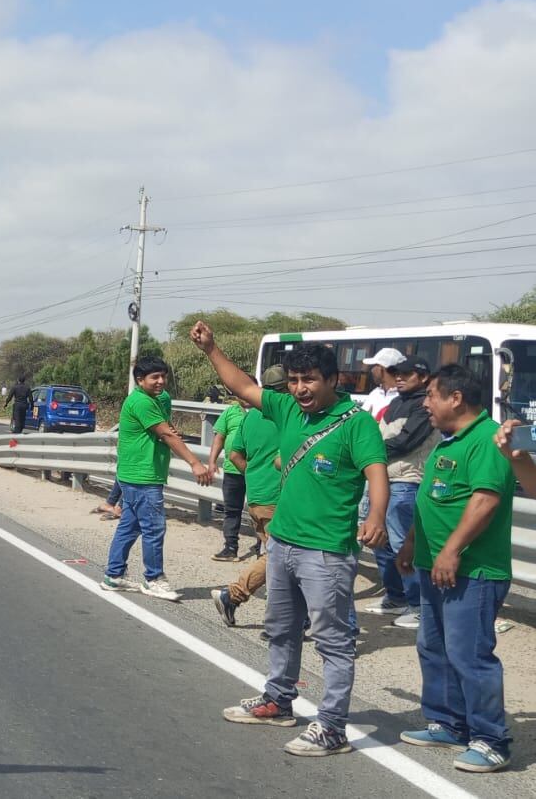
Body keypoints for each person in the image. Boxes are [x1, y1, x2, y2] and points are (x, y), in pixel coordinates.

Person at [193, 324, 388, 758]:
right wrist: (211, 348)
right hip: (282, 542)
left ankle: (332, 727)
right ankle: (278, 701)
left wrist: (376, 515)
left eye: (310, 380)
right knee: (281, 629)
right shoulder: (287, 409)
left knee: (332, 641)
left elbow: (377, 472)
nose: (300, 388)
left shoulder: (356, 424)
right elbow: (241, 385)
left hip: (327, 550)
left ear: (332, 380)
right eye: (295, 380)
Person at [391, 367, 520, 774]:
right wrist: (412, 543)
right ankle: (448, 724)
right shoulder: (447, 441)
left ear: (456, 398)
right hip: (435, 566)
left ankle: (491, 740)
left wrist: (451, 550)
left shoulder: (488, 440)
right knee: (433, 647)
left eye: (431, 395)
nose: (425, 404)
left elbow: (485, 500)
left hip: (473, 571)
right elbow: (433, 497)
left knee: (470, 654)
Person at [100, 358, 212, 603]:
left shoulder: (160, 398)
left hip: (139, 473)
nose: (161, 381)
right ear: (140, 380)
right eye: (154, 377)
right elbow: (166, 434)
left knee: (130, 526)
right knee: (154, 527)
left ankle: (114, 575)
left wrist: (170, 429)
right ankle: (154, 579)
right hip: (142, 475)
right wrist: (195, 463)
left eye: (163, 376)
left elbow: (167, 427)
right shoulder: (141, 401)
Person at [363, 354, 439, 629]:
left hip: (406, 482)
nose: (399, 377)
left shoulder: (424, 405)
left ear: (423, 377)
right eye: (396, 373)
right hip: (383, 480)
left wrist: (368, 452)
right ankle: (396, 597)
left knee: (402, 546)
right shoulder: (396, 402)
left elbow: (405, 442)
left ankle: (419, 606)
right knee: (380, 543)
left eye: (406, 374)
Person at [211, 365, 287, 626]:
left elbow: (234, 454)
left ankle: (288, 617)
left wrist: (254, 475)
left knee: (278, 556)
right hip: (278, 497)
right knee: (280, 556)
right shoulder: (288, 414)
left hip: (257, 495)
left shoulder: (251, 416)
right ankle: (234, 595)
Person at [208, 387, 250, 561]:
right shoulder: (230, 412)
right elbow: (219, 437)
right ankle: (230, 547)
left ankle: (262, 547)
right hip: (233, 470)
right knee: (232, 510)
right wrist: (212, 461)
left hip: (257, 470)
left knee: (259, 510)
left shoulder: (264, 413)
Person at [359, 348, 405, 417]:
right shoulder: (375, 393)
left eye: (374, 366)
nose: (372, 370)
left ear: (382, 368)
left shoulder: (403, 396)